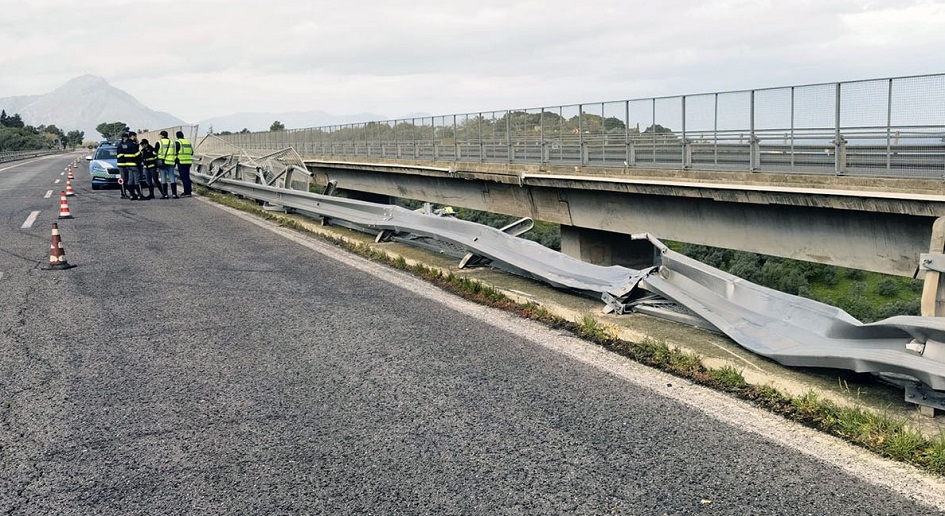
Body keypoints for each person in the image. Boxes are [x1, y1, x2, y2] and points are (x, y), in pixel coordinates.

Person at [116, 130, 144, 200]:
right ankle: (139, 195)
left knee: (130, 180)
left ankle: (131, 195)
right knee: (136, 180)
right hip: (131, 164)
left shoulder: (124, 145)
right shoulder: (130, 144)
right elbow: (137, 154)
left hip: (127, 164)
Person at [155, 130, 178, 198]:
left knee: (163, 178)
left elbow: (155, 152)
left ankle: (165, 194)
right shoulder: (172, 142)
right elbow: (175, 152)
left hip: (162, 162)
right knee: (172, 177)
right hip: (171, 161)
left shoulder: (159, 142)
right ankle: (174, 194)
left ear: (162, 135)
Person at [175, 130, 194, 196]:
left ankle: (187, 192)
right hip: (189, 161)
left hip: (181, 161)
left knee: (184, 177)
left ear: (177, 136)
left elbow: (175, 152)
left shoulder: (178, 142)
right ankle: (188, 191)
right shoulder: (188, 142)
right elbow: (192, 152)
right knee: (187, 177)